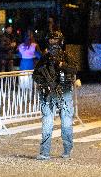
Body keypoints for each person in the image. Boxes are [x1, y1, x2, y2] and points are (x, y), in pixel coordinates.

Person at [33, 30, 78, 160]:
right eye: (51, 40)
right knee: (47, 121)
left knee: (66, 121)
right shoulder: (45, 58)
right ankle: (44, 152)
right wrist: (44, 84)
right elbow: (36, 75)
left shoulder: (66, 56)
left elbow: (74, 69)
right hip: (48, 93)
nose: (53, 43)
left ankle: (67, 150)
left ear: (61, 42)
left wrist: (61, 65)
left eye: (56, 40)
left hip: (64, 91)